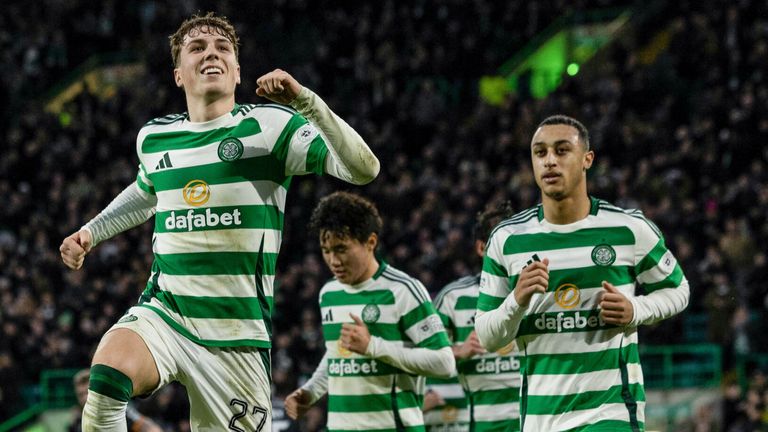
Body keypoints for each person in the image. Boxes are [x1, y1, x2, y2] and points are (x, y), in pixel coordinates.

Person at [58, 12, 380, 431]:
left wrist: (304, 101)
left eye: (222, 48)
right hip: (167, 311)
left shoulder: (269, 126)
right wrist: (90, 232)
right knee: (107, 375)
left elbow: (363, 169)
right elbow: (146, 192)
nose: (211, 53)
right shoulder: (154, 137)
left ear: (238, 70)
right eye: (197, 48)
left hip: (237, 335)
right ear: (178, 74)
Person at [475, 115, 690, 431]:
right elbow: (488, 337)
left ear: (587, 159)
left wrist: (636, 309)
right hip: (540, 418)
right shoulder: (507, 240)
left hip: (610, 411)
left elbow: (679, 289)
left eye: (562, 151)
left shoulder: (628, 229)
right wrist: (516, 300)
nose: (549, 161)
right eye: (540, 152)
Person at [283, 191, 454, 431]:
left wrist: (373, 346)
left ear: (370, 242)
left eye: (341, 249)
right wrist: (310, 392)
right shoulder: (329, 294)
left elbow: (444, 363)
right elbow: (337, 355)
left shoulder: (403, 290)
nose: (333, 260)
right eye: (326, 249)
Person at [433, 201, 520, 432]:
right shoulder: (453, 298)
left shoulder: (537, 293)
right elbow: (421, 354)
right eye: (499, 244)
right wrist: (459, 351)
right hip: (481, 425)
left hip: (537, 423)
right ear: (481, 248)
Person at [68, 369, 163, 432]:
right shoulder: (78, 420)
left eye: (88, 392)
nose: (85, 398)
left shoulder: (118, 410)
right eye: (81, 395)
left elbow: (152, 429)